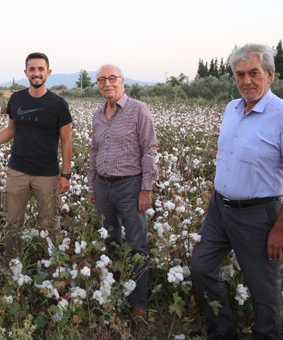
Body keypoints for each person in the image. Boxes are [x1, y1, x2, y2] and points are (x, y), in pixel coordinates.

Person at [190, 44, 283, 339]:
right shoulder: (231, 109)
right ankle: (222, 331)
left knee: (263, 289)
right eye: (240, 74)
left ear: (270, 75)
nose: (246, 80)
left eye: (254, 73)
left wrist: (281, 228)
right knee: (200, 265)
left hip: (258, 215)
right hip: (220, 209)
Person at [0, 52, 72, 259]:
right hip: (17, 171)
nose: (36, 73)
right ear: (26, 72)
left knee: (50, 224)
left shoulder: (59, 104)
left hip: (47, 174)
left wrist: (66, 175)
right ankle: (13, 265)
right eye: (32, 69)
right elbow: (11, 130)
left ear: (48, 72)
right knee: (12, 223)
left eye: (40, 69)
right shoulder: (17, 99)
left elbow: (66, 141)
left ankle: (54, 268)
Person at [87, 64, 158, 322]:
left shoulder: (138, 110)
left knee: (137, 244)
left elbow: (149, 150)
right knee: (111, 241)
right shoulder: (97, 114)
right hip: (103, 186)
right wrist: (91, 185)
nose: (107, 83)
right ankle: (115, 291)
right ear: (98, 84)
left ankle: (138, 303)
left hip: (130, 186)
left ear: (122, 81)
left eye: (112, 78)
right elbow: (94, 151)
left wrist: (146, 188)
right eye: (102, 80)